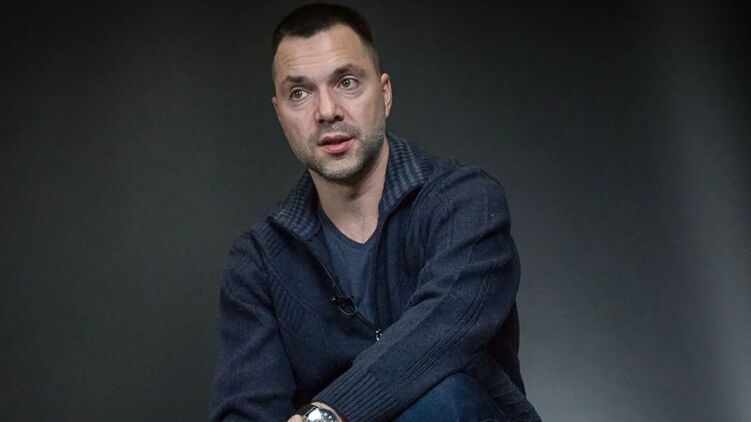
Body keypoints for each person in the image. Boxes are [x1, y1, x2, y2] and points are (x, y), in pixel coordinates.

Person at [209, 3, 541, 421]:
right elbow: (244, 409)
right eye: (299, 93)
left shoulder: (465, 203)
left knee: (446, 396)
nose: (326, 111)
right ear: (279, 113)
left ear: (384, 94)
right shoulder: (259, 259)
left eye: (347, 82)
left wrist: (325, 416)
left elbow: (442, 332)